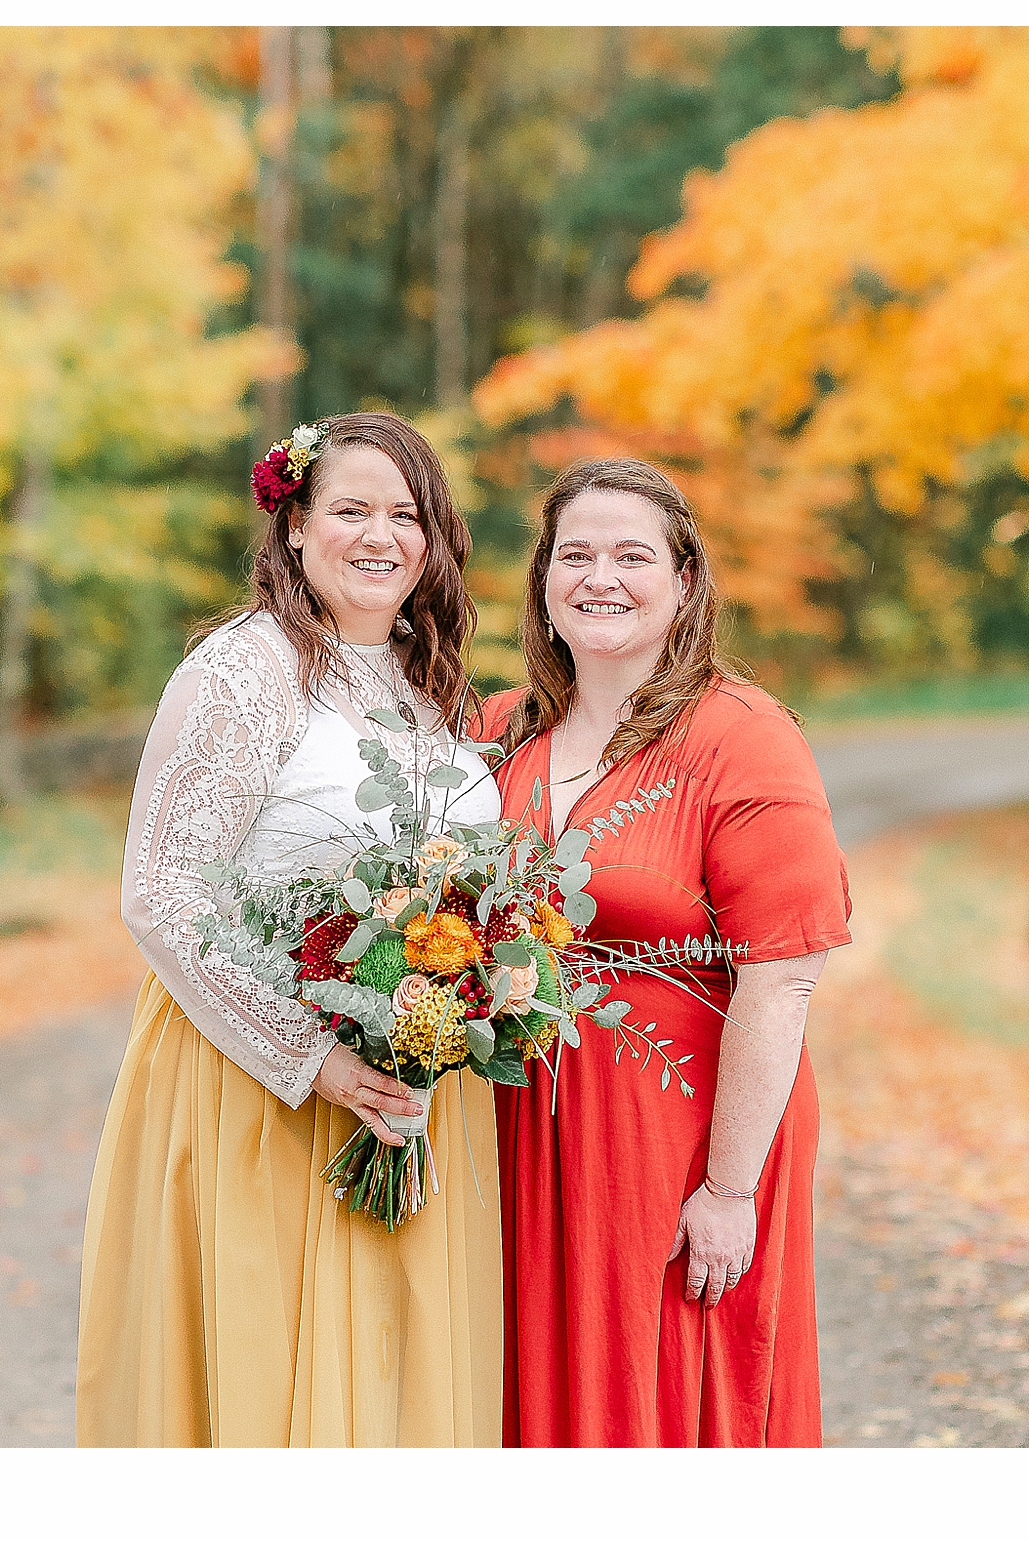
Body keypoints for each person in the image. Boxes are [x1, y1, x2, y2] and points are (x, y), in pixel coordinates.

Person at [78, 411, 504, 1446]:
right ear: (296, 528)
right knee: (275, 1393)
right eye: (350, 508)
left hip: (414, 1092)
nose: (379, 535)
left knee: (400, 1390)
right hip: (261, 1087)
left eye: (405, 515)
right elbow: (162, 892)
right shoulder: (245, 668)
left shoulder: (429, 681)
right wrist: (311, 1056)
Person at [479, 458, 850, 1447]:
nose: (601, 576)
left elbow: (782, 976)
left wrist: (729, 1188)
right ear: (545, 583)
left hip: (679, 1138)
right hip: (519, 1138)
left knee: (676, 1393)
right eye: (577, 554)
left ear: (683, 583)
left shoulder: (741, 737)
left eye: (632, 555)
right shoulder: (496, 732)